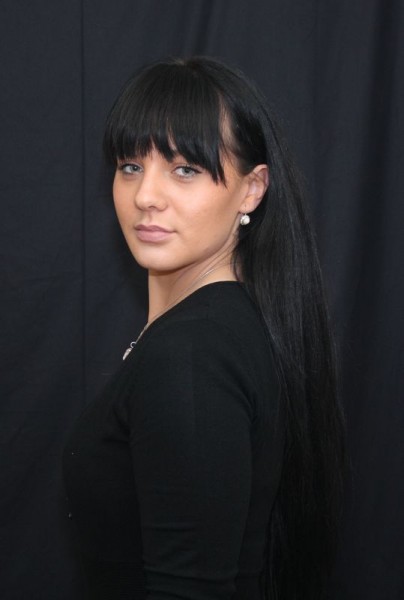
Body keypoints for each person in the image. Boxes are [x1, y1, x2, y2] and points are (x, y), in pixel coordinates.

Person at [63, 57, 345, 600]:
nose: (146, 195)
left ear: (252, 189)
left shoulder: (193, 355)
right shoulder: (224, 330)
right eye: (130, 165)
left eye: (185, 169)